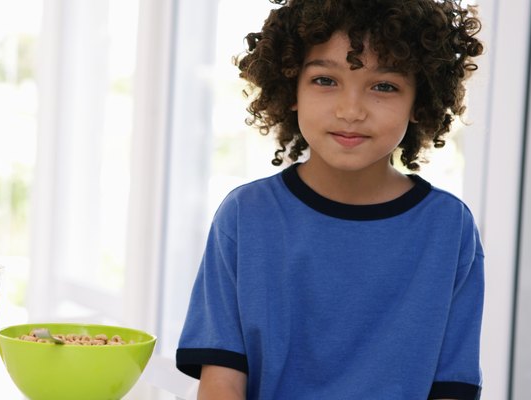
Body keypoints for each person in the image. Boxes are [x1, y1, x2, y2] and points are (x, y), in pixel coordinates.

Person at [175, 0, 485, 399]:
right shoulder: (245, 216)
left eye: (384, 86)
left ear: (419, 102)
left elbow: (452, 385)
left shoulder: (448, 228)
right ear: (291, 89)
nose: (350, 110)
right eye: (325, 80)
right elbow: (221, 381)